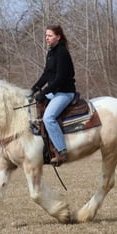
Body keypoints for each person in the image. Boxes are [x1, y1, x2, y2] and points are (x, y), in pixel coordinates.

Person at [29, 24, 76, 166]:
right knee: (36, 116)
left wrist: (44, 92)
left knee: (48, 118)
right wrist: (33, 89)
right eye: (46, 35)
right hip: (54, 93)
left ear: (58, 37)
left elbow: (60, 78)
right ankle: (46, 150)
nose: (46, 38)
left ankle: (62, 151)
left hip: (65, 93)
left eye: (49, 35)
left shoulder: (62, 52)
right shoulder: (51, 52)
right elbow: (46, 75)